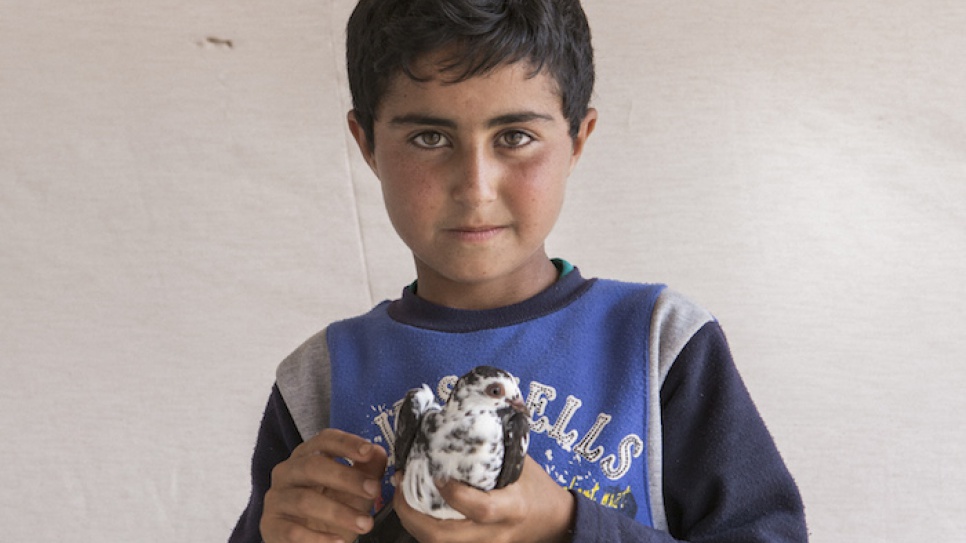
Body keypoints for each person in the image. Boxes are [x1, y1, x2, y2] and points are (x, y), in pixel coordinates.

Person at [230, 0, 808, 541]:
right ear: (368, 144)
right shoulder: (319, 378)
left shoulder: (661, 343)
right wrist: (269, 530)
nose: (475, 188)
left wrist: (565, 523)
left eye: (515, 137)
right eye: (429, 137)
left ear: (577, 138)